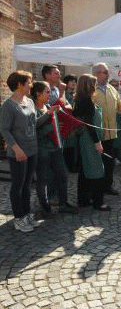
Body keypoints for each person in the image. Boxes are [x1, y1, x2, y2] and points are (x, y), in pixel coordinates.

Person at [0, 71, 40, 232]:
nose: (31, 85)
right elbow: (5, 130)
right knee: (18, 185)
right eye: (29, 82)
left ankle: (26, 213)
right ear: (19, 85)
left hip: (32, 149)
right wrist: (16, 149)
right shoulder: (8, 105)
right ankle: (18, 218)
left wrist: (49, 114)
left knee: (27, 185)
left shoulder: (30, 102)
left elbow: (33, 123)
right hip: (18, 152)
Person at [31, 81, 77, 216]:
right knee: (43, 179)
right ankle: (45, 208)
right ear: (38, 94)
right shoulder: (32, 108)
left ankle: (63, 203)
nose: (49, 95)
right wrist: (50, 127)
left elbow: (54, 124)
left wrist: (61, 127)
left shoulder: (47, 106)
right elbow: (33, 129)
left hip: (55, 148)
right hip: (42, 149)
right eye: (47, 92)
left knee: (63, 175)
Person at [92, 62, 121, 196]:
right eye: (105, 72)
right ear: (96, 74)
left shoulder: (111, 88)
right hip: (97, 134)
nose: (108, 74)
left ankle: (107, 186)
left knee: (109, 162)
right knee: (96, 164)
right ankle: (96, 189)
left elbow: (119, 108)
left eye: (107, 72)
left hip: (111, 133)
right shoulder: (91, 88)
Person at [72, 74, 110, 211]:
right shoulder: (86, 100)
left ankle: (83, 199)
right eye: (94, 84)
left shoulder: (81, 99)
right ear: (89, 85)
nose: (96, 86)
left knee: (85, 171)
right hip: (89, 139)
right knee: (97, 170)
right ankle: (98, 202)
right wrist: (97, 142)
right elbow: (88, 124)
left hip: (85, 138)